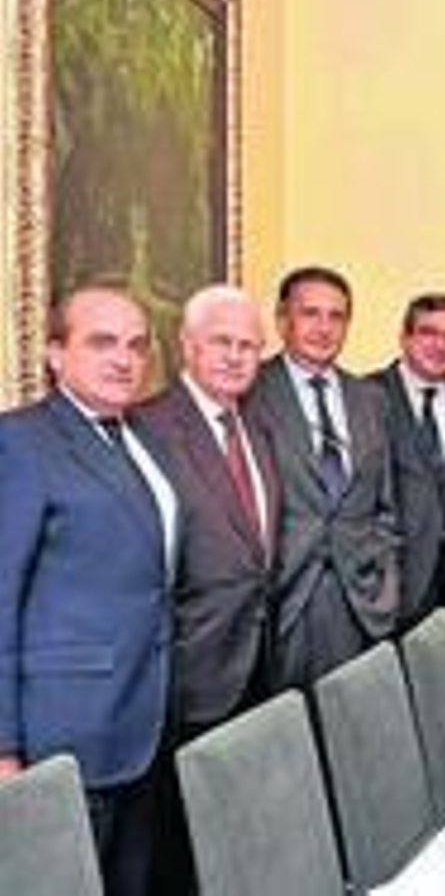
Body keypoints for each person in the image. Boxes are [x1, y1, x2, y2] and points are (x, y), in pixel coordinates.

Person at [0, 287, 179, 896]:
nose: (124, 360)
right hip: (65, 730)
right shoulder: (21, 441)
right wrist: (3, 747)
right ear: (55, 354)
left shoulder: (141, 437)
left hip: (143, 718)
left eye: (136, 346)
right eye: (102, 343)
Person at [246, 265, 402, 687]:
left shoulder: (371, 399)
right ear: (282, 319)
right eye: (310, 313)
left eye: (336, 316)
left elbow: (385, 503)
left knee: (352, 720)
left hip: (360, 601)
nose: (323, 328)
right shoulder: (250, 392)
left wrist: (385, 581)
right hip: (282, 600)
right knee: (282, 724)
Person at [136, 285, 280, 734]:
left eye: (248, 346)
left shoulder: (259, 426)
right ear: (188, 345)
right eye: (221, 342)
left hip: (258, 663)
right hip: (188, 673)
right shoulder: (147, 428)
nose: (235, 357)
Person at [370, 293, 445, 631]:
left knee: (441, 663)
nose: (439, 345)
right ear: (405, 337)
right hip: (384, 576)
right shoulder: (366, 396)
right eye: (428, 332)